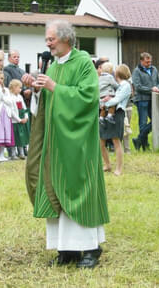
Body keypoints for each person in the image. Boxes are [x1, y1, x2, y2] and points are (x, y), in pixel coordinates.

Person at [23, 19, 109, 269]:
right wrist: (36, 90)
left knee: (79, 189)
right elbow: (47, 100)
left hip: (76, 143)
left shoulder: (83, 62)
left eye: (51, 39)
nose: (47, 43)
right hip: (55, 142)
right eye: (47, 39)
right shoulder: (53, 66)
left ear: (66, 39)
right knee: (54, 187)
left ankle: (91, 248)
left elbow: (88, 98)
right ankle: (67, 249)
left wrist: (55, 88)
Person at [100, 64, 132, 176]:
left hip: (117, 113)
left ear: (118, 73)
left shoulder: (125, 85)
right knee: (101, 140)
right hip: (105, 112)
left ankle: (118, 168)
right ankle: (107, 165)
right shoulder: (114, 84)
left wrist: (104, 102)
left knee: (116, 140)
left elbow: (117, 100)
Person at [131, 52, 159, 151]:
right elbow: (138, 86)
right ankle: (145, 146)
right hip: (142, 100)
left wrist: (157, 88)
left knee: (156, 121)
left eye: (150, 61)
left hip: (153, 99)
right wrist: (151, 89)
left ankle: (138, 139)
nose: (149, 63)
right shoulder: (136, 71)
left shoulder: (154, 69)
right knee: (143, 123)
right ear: (141, 61)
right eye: (146, 62)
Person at [8, 79, 29, 160]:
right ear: (13, 87)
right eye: (19, 88)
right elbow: (12, 110)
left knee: (21, 137)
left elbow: (24, 107)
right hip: (15, 121)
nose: (20, 89)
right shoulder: (10, 98)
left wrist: (26, 117)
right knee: (14, 138)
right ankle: (13, 154)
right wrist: (19, 119)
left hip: (22, 119)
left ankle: (21, 153)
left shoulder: (20, 97)